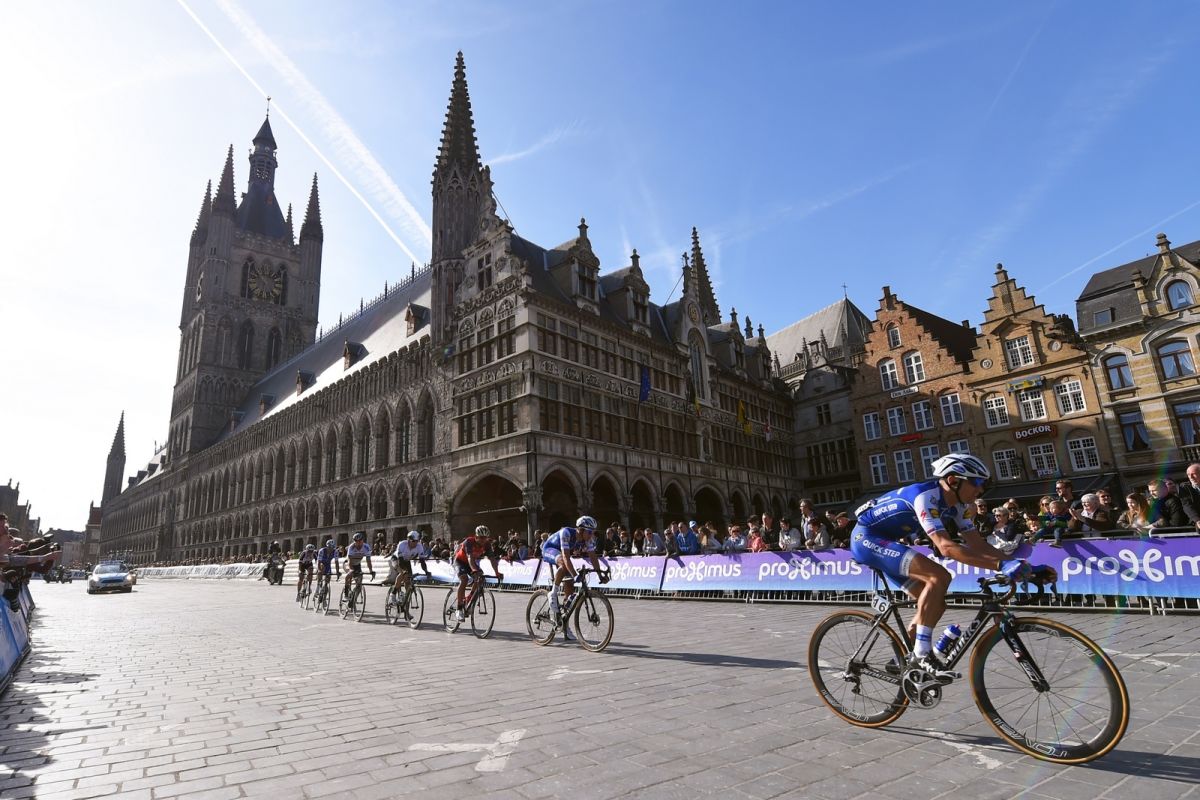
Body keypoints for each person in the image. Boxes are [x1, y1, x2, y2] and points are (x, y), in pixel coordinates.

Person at [850, 453, 1054, 681]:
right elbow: (946, 547)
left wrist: (1026, 567)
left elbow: (977, 544)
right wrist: (1000, 565)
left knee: (934, 603)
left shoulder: (957, 506)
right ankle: (921, 655)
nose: (980, 491)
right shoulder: (925, 497)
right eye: (977, 483)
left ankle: (902, 660)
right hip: (867, 539)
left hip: (887, 541)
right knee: (939, 576)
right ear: (953, 480)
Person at [541, 516, 607, 629]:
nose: (591, 535)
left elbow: (593, 557)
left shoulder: (587, 539)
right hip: (550, 549)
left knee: (570, 590)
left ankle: (563, 623)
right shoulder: (566, 533)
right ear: (581, 530)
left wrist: (600, 573)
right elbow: (566, 558)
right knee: (563, 563)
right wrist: (575, 575)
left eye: (593, 532)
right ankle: (553, 592)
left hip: (561, 553)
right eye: (590, 532)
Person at [453, 525, 502, 622]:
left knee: (481, 578)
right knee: (464, 579)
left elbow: (492, 559)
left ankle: (469, 599)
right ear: (476, 536)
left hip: (470, 563)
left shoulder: (487, 545)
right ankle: (459, 608)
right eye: (481, 538)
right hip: (460, 561)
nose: (483, 540)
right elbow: (470, 558)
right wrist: (474, 570)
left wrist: (497, 572)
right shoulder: (469, 542)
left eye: (485, 538)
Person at [390, 531, 428, 602]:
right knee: (402, 573)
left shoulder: (419, 546)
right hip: (396, 559)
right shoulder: (402, 544)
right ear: (408, 540)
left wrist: (426, 571)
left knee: (408, 580)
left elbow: (422, 561)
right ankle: (393, 593)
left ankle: (406, 602)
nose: (415, 543)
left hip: (406, 560)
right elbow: (400, 562)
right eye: (413, 541)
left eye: (417, 541)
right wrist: (404, 571)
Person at [343, 531, 375, 596]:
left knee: (359, 583)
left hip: (357, 564)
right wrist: (351, 570)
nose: (358, 543)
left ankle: (353, 600)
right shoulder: (351, 547)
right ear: (354, 541)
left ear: (363, 540)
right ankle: (346, 591)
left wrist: (371, 570)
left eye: (360, 541)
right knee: (349, 576)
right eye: (356, 541)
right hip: (348, 563)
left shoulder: (366, 547)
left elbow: (368, 560)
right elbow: (349, 560)